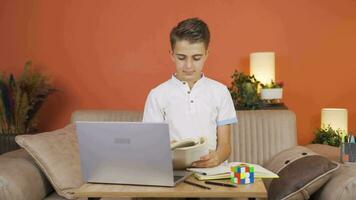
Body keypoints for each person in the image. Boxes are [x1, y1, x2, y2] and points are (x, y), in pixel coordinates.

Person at [143, 17, 237, 168]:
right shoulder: (157, 95)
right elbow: (151, 145)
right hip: (173, 173)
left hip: (212, 174)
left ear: (206, 54)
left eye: (196, 58)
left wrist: (217, 158)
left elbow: (225, 146)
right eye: (181, 58)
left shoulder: (220, 92)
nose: (188, 66)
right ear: (172, 54)